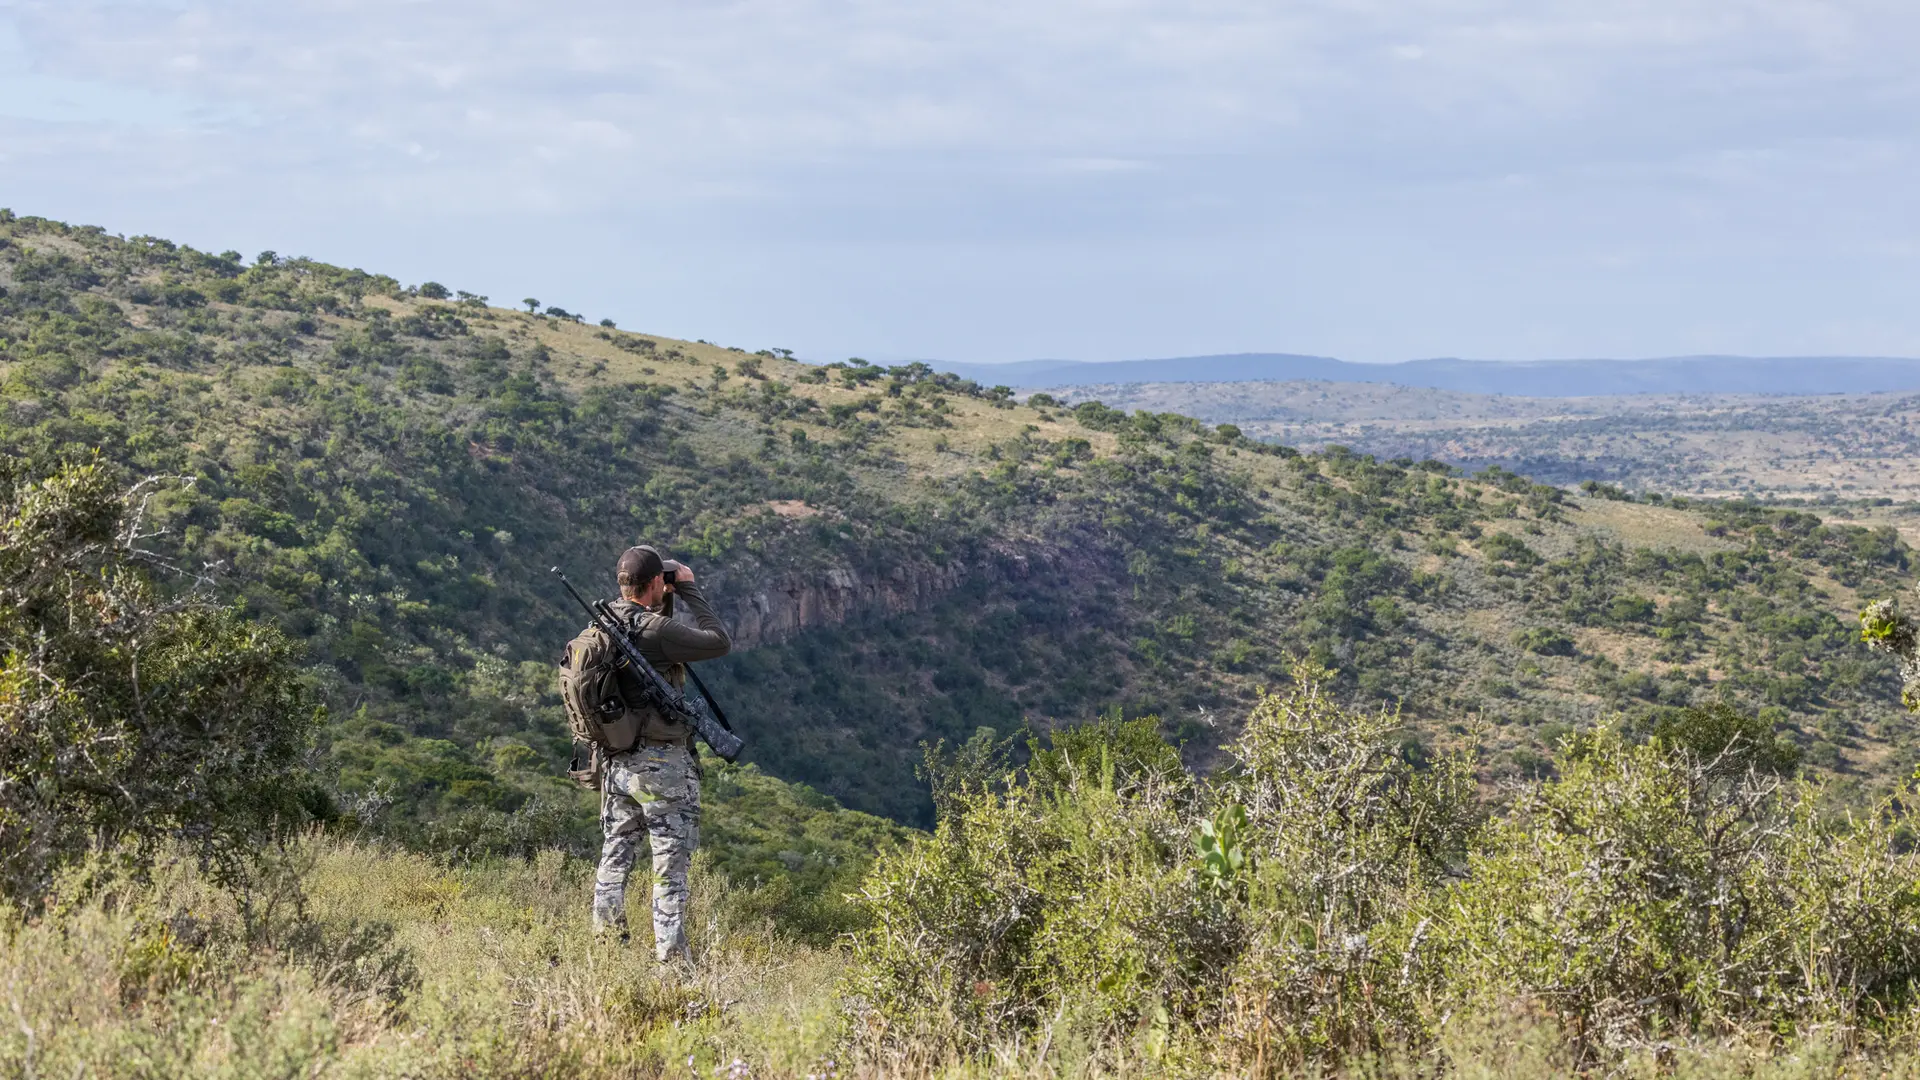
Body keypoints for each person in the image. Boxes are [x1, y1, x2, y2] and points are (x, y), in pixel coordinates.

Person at [592, 544, 731, 961]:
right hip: (662, 769)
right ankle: (671, 966)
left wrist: (662, 595)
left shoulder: (605, 623)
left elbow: (653, 639)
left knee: (615, 857)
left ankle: (606, 951)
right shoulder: (656, 631)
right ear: (656, 582)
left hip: (617, 763)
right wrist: (688, 588)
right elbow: (718, 641)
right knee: (669, 869)